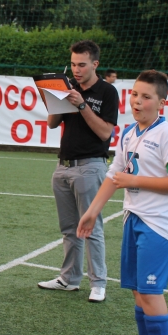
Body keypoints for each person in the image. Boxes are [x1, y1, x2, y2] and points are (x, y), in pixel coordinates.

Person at [78, 70, 168, 335]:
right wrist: (92, 211)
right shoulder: (129, 133)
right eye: (135, 95)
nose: (137, 101)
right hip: (134, 217)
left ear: (162, 102)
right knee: (138, 291)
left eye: (146, 97)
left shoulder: (167, 135)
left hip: (159, 223)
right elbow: (114, 176)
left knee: (151, 292)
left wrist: (135, 180)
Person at [38, 40, 119, 303]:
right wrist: (53, 99)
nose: (76, 69)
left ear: (95, 64)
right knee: (69, 229)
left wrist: (82, 105)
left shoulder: (107, 92)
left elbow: (105, 132)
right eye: (73, 64)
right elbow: (52, 124)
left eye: (82, 65)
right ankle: (69, 279)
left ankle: (98, 283)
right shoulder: (68, 86)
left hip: (90, 166)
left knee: (91, 227)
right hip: (63, 165)